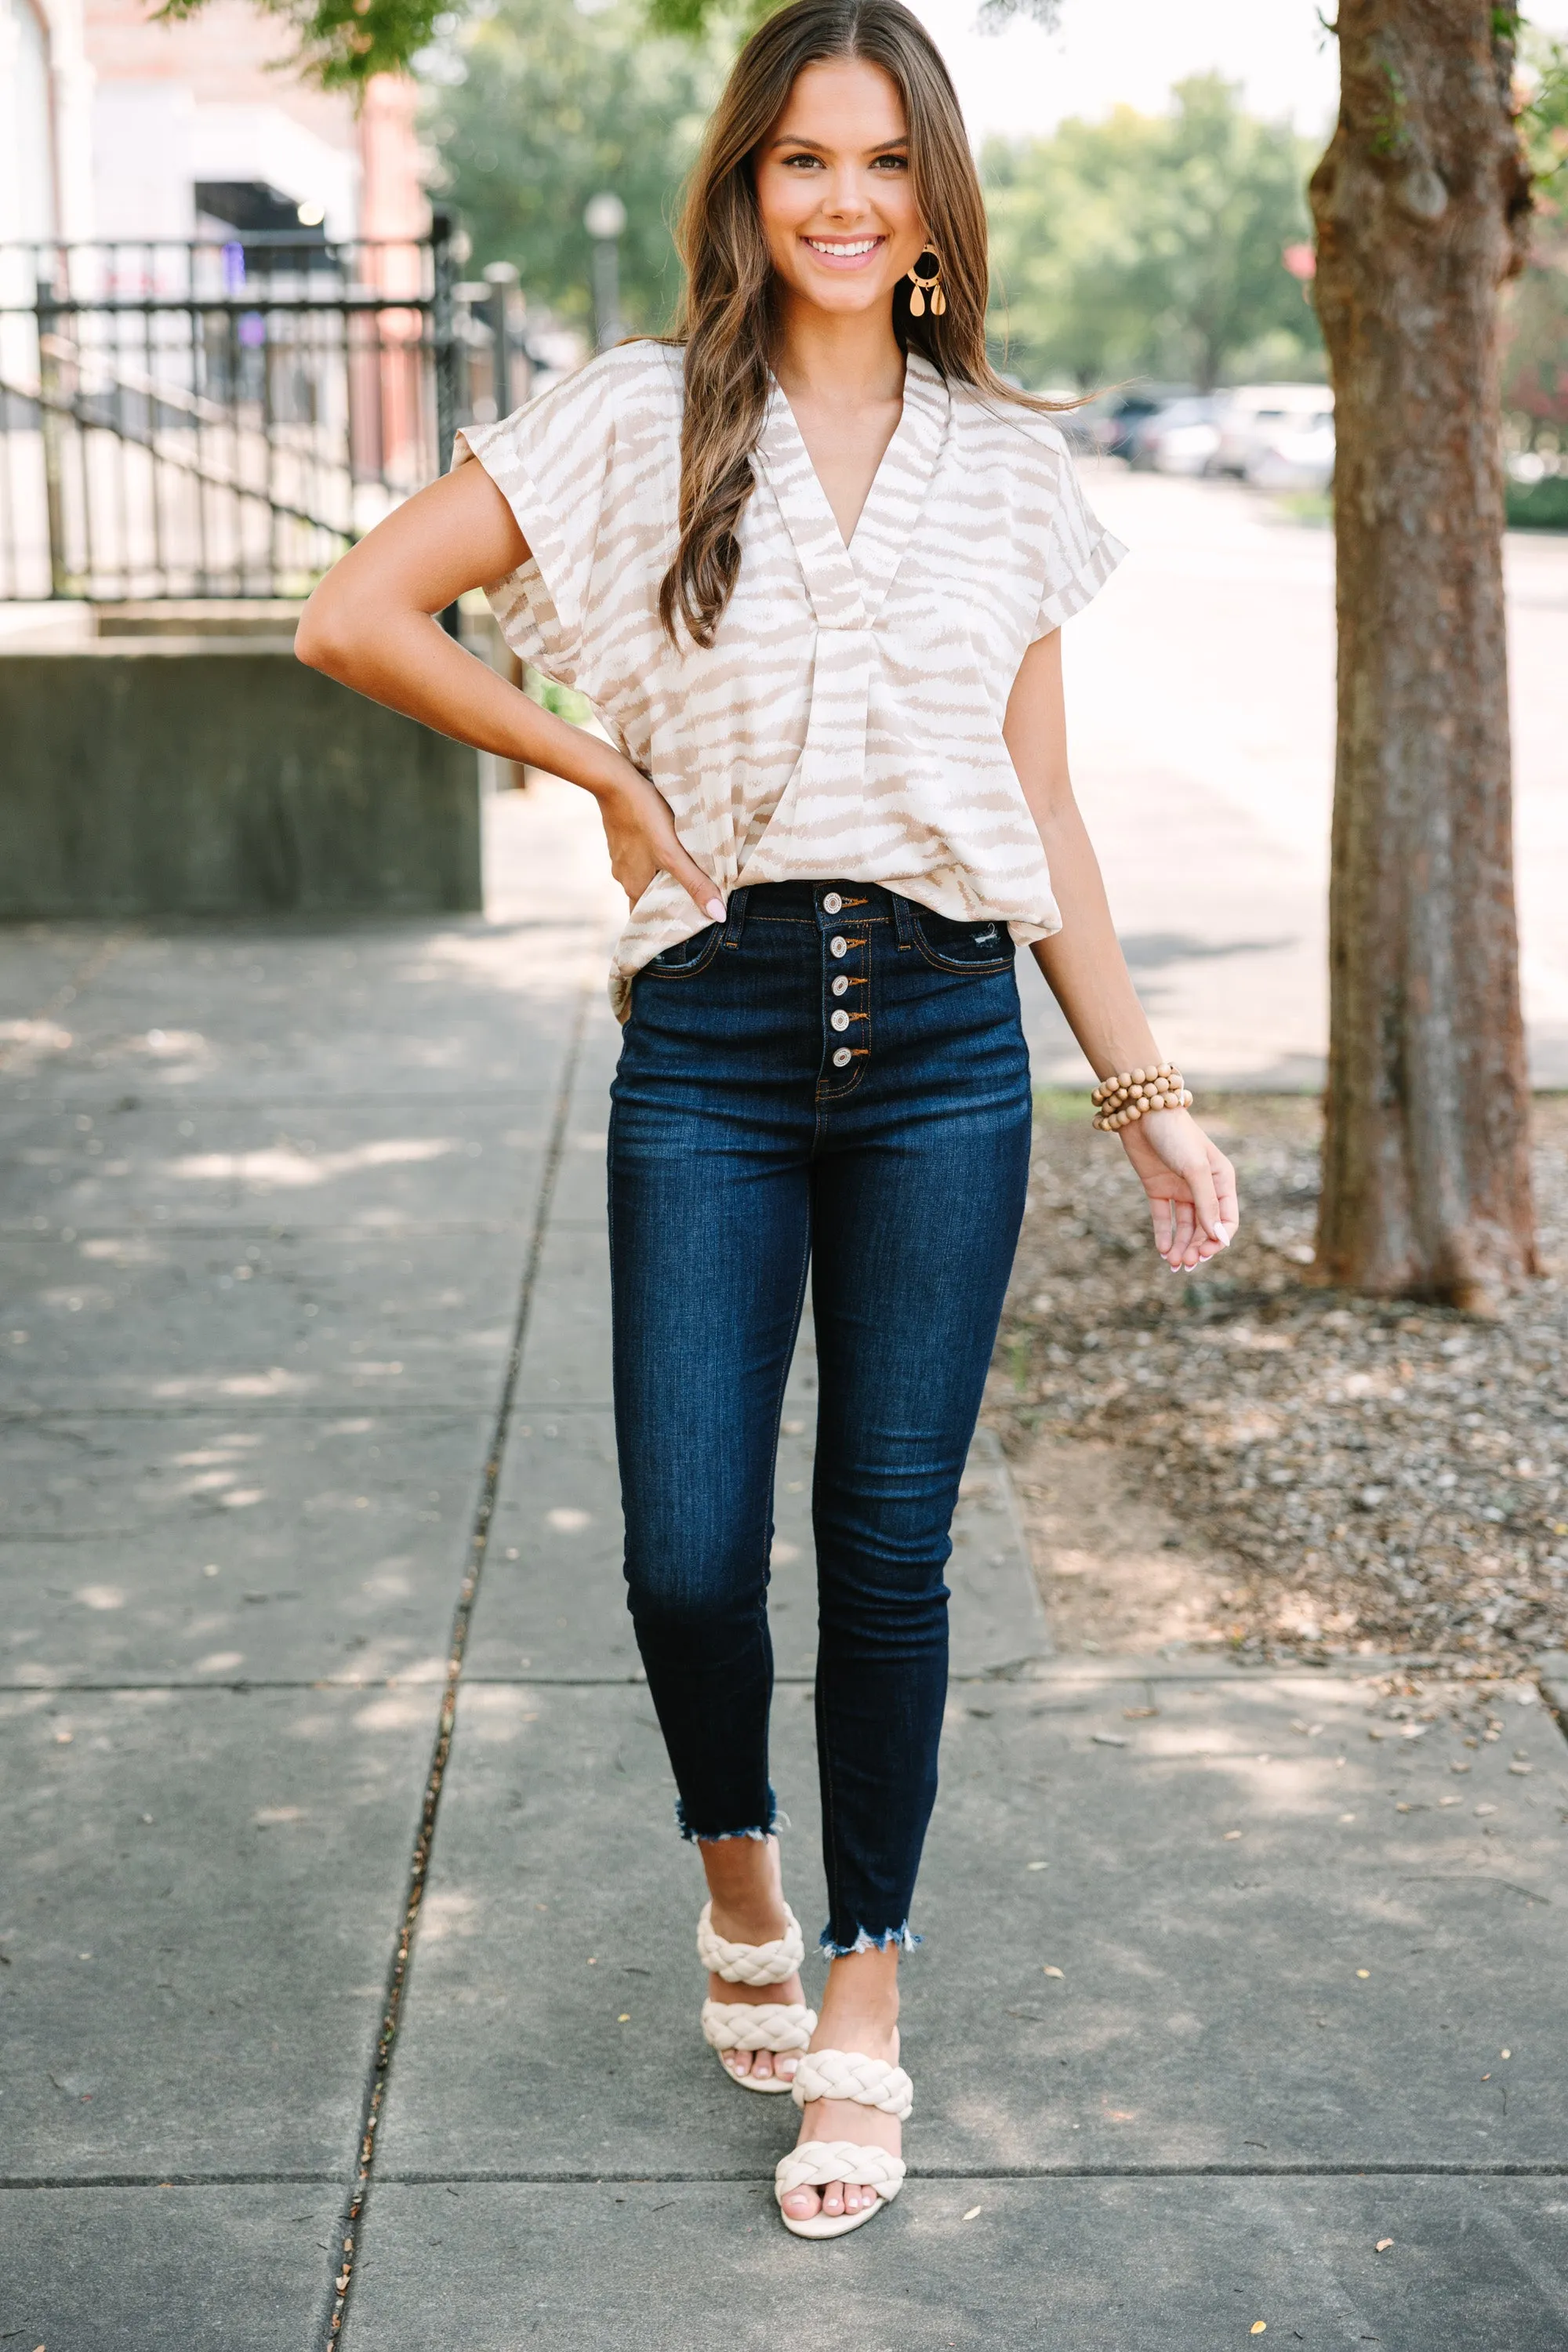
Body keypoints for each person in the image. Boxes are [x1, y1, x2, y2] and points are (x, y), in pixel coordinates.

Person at [296, 0, 1240, 2241]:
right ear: (747, 185)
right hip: (711, 1037)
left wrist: (1151, 1095)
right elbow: (358, 613)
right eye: (803, 159)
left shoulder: (1012, 464)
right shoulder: (634, 423)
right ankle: (739, 1861)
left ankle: (867, 1992)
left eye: (883, 162)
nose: (842, 198)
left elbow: (1043, 815)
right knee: (689, 1552)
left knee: (891, 1550)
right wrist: (603, 767)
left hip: (939, 1043)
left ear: (935, 204)